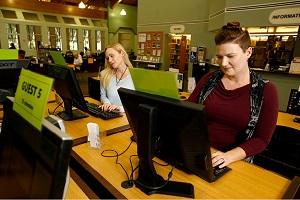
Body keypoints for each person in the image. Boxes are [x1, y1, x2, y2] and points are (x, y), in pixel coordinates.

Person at [188, 21, 279, 168]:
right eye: (219, 57)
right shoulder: (208, 80)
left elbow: (261, 140)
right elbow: (188, 112)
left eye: (230, 56)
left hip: (234, 161)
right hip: (199, 152)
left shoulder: (266, 91)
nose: (223, 63)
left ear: (248, 52)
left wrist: (229, 156)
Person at [99, 43, 135, 112]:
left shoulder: (135, 76)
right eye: (107, 58)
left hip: (128, 118)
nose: (109, 60)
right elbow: (103, 95)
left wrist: (120, 108)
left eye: (112, 56)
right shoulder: (104, 74)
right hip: (111, 115)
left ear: (121, 53)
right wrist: (106, 103)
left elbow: (137, 103)